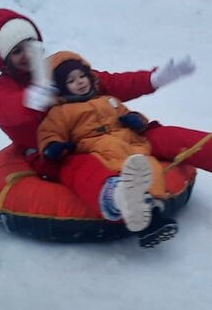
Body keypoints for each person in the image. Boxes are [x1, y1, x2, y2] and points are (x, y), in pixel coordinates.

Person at [0, 8, 212, 246]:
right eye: (15, 51)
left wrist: (155, 78)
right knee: (80, 167)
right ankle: (121, 198)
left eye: (28, 45)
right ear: (3, 58)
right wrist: (32, 99)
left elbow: (112, 83)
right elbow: (5, 112)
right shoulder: (2, 90)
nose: (24, 55)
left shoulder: (61, 70)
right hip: (59, 151)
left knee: (169, 135)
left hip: (117, 134)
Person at [38, 51, 175, 247]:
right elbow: (49, 132)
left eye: (82, 76)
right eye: (71, 80)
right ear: (61, 87)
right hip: (100, 151)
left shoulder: (108, 100)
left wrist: (136, 121)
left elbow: (128, 113)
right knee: (129, 181)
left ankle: (151, 217)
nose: (80, 82)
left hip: (131, 147)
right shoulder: (60, 112)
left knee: (150, 169)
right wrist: (53, 147)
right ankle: (146, 219)